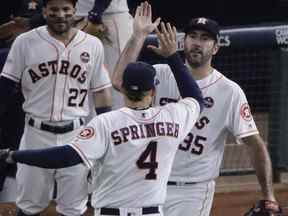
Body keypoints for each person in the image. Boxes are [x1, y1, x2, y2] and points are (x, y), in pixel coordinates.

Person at [0, 3, 204, 216]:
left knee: (34, 205)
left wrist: (13, 156)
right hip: (151, 212)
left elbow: (66, 156)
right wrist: (173, 56)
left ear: (121, 87)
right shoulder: (172, 117)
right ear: (153, 91)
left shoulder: (107, 124)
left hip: (111, 211)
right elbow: (196, 98)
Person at [113, 13, 279, 216]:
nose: (197, 43)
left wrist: (268, 195)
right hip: (147, 184)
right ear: (184, 42)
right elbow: (120, 81)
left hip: (191, 191)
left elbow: (254, 144)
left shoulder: (229, 92)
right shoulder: (161, 74)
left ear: (216, 48)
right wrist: (138, 36)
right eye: (193, 36)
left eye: (205, 38)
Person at [0, 0, 112, 215]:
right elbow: (5, 86)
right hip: (35, 134)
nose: (60, 15)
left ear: (74, 12)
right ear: (44, 12)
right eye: (54, 10)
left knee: (74, 207)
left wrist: (106, 131)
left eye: (66, 9)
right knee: (29, 204)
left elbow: (101, 91)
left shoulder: (92, 44)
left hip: (77, 136)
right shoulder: (25, 42)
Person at [74, 0, 133, 110]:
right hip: (75, 16)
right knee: (78, 80)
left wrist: (95, 15)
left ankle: (115, 126)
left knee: (114, 85)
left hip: (107, 17)